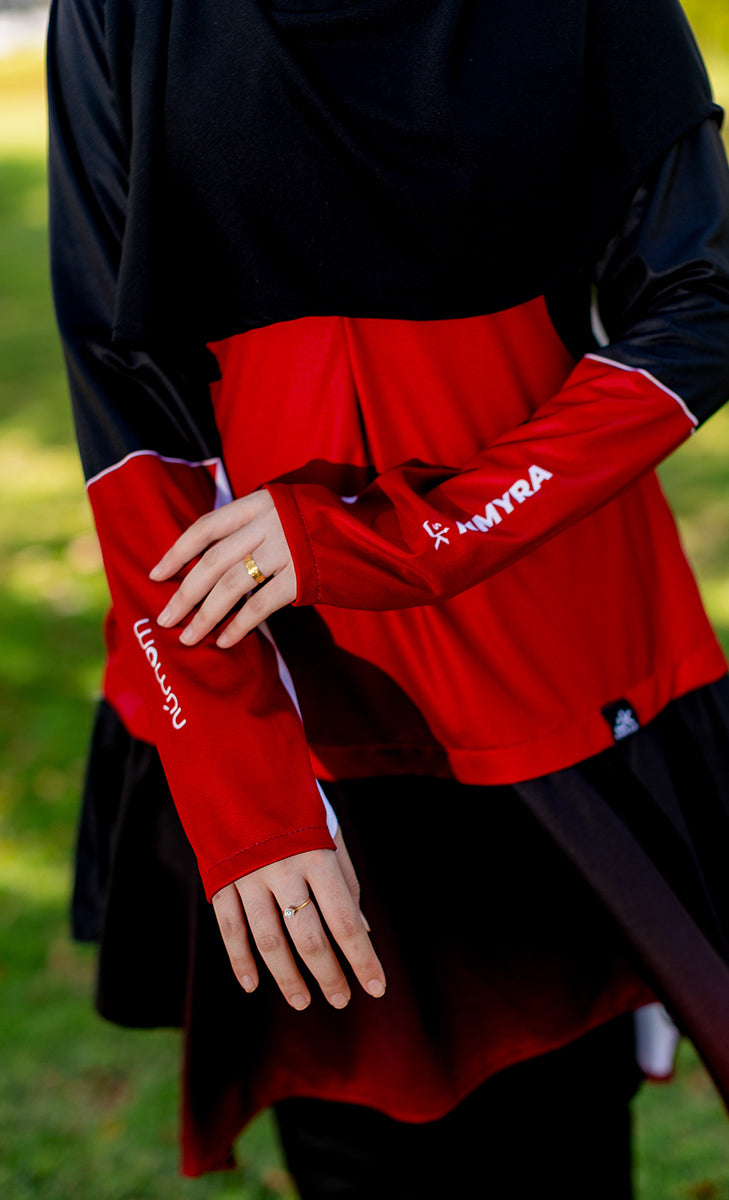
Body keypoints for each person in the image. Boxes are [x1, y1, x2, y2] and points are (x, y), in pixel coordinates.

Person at [47, 0, 729, 1195]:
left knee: (563, 1131)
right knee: (355, 1140)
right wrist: (247, 789)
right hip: (282, 684)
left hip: (547, 664)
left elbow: (703, 303)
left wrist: (406, 537)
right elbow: (126, 393)